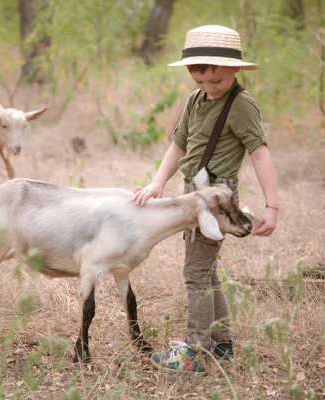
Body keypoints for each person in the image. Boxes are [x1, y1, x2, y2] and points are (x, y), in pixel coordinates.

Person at [132, 25, 279, 374]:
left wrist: (272, 206)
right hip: (191, 192)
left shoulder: (241, 105)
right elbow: (178, 145)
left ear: (235, 70)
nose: (210, 88)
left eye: (218, 81)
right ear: (192, 74)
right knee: (207, 272)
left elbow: (259, 154)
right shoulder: (195, 101)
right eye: (202, 82)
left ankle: (194, 351)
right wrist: (157, 183)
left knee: (195, 272)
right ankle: (222, 343)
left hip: (217, 199)